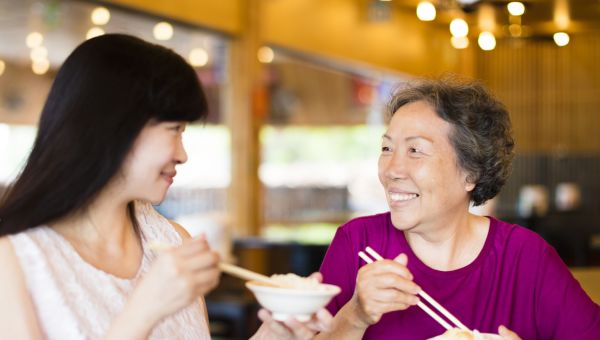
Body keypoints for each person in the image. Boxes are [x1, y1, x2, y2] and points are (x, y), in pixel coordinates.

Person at [0, 34, 329, 340]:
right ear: (117, 127)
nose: (182, 155)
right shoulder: (18, 259)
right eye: (174, 129)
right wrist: (145, 310)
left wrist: (276, 332)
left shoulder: (171, 241)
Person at [315, 78, 600, 339]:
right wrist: (355, 315)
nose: (391, 170)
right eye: (387, 149)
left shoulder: (525, 258)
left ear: (471, 173)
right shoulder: (359, 244)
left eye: (415, 150)